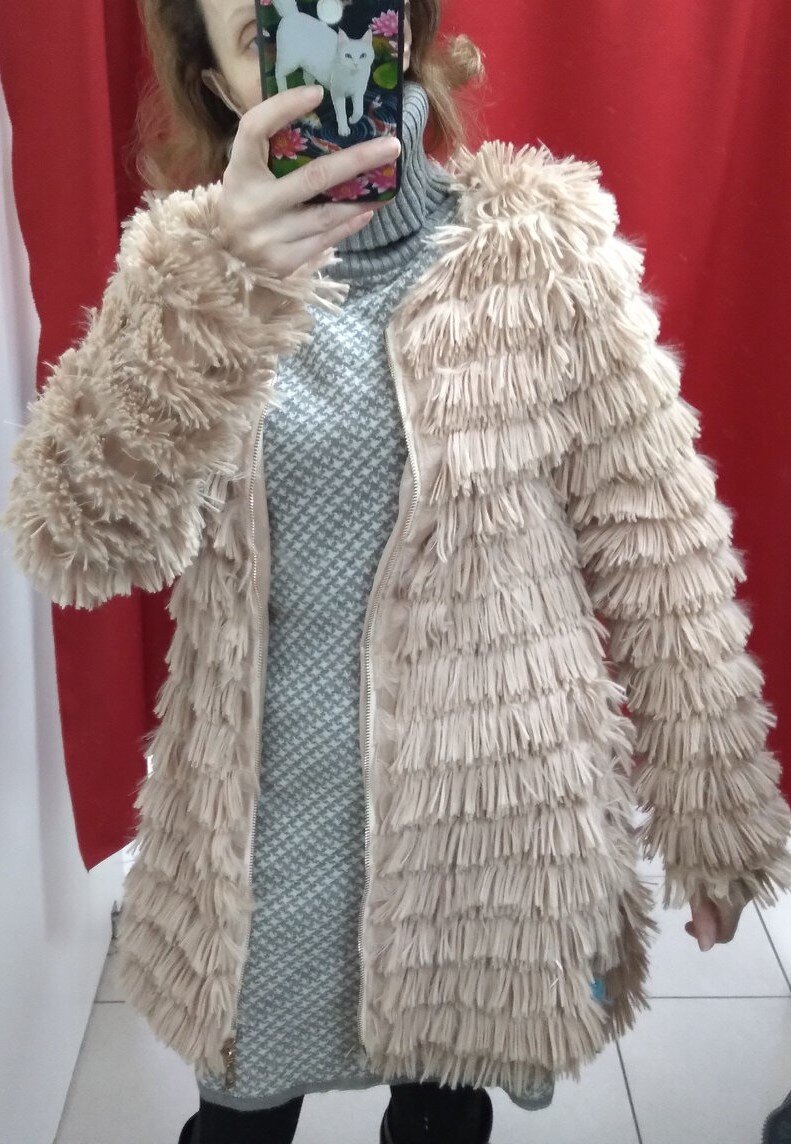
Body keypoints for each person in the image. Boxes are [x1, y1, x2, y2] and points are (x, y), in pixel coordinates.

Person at [3, 0, 791, 1141]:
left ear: (401, 30)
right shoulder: (184, 272)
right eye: (261, 30)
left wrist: (710, 816)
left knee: (440, 1114)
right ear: (219, 85)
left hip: (484, 821)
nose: (316, 51)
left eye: (338, 9)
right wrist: (219, 283)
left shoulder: (540, 253)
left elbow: (661, 545)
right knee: (235, 1123)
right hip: (262, 829)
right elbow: (75, 537)